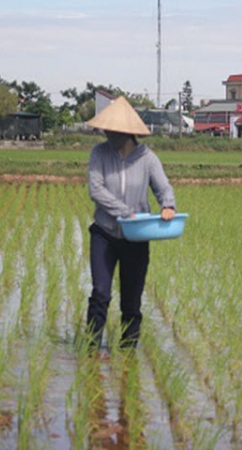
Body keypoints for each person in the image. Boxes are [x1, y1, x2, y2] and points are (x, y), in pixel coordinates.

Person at [85, 96, 176, 351]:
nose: (107, 134)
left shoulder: (147, 158)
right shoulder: (99, 154)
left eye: (113, 131)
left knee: (131, 301)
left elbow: (163, 187)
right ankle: (90, 348)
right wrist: (125, 212)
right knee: (101, 293)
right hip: (104, 234)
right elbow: (96, 190)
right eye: (106, 130)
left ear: (127, 132)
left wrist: (168, 206)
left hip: (136, 237)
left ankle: (128, 356)